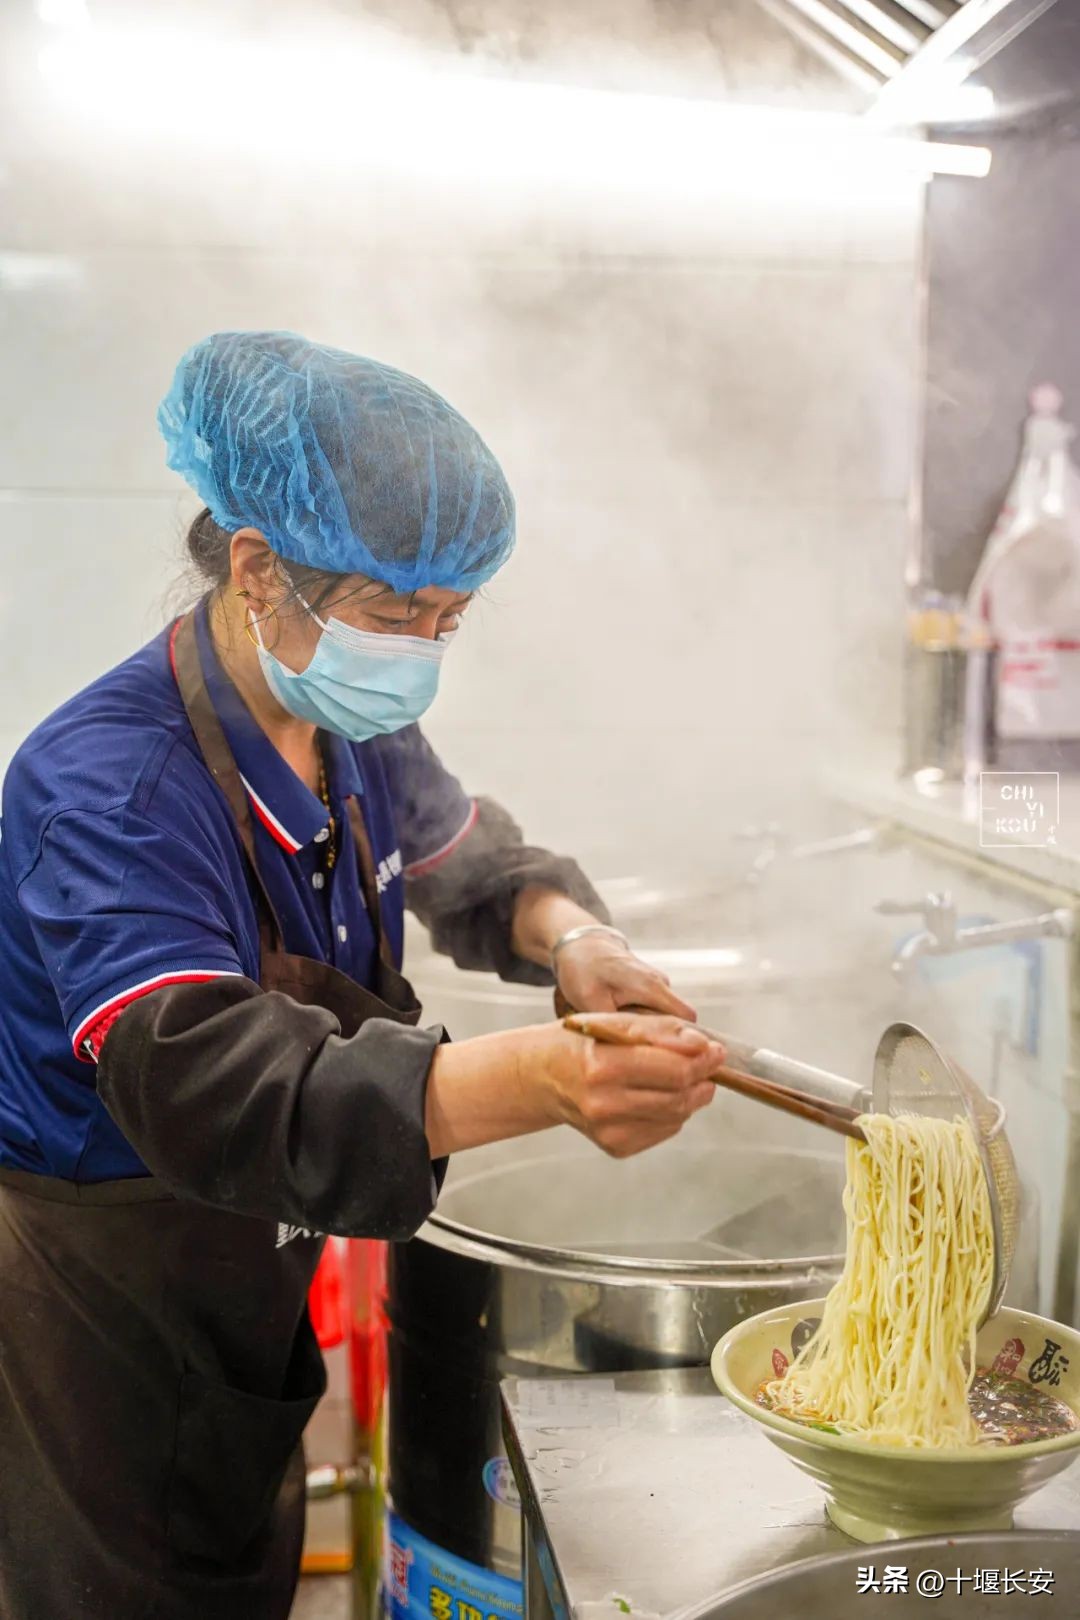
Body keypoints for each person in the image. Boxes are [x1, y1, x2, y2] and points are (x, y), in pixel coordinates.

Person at [0, 331, 722, 1620]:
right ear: (256, 567)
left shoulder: (354, 723)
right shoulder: (106, 787)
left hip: (240, 1276)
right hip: (94, 1309)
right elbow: (219, 1088)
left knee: (241, 1568)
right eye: (394, 617)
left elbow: (474, 866)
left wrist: (574, 942)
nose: (422, 652)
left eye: (448, 621)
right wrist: (545, 1081)